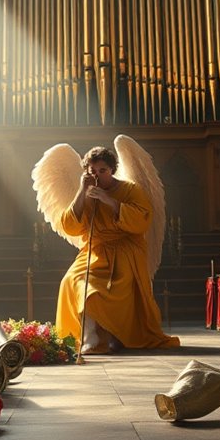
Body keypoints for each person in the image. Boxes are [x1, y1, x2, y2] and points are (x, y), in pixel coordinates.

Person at [55, 146, 180, 354]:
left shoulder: (130, 189)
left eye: (102, 171)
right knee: (71, 281)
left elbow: (142, 220)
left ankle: (110, 336)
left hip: (125, 250)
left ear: (112, 169)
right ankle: (90, 337)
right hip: (95, 249)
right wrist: (81, 192)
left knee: (98, 289)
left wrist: (107, 200)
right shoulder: (85, 191)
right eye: (92, 171)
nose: (97, 176)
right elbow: (71, 226)